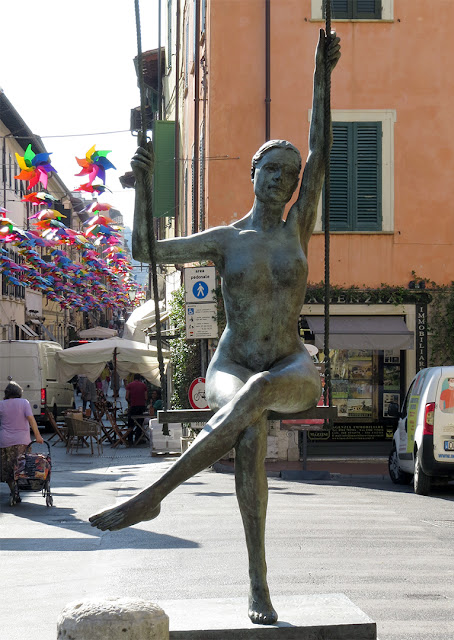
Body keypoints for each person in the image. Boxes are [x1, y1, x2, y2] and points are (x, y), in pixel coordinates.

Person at [90, 29, 341, 626]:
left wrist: (321, 79)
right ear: (252, 176)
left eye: (290, 173)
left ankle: (156, 494)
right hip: (232, 363)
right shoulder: (226, 240)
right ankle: (258, 585)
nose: (282, 180)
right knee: (249, 434)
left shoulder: (299, 226)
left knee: (258, 397)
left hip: (289, 364)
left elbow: (322, 145)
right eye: (271, 171)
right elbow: (148, 252)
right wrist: (143, 187)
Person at [0, 381, 44, 502]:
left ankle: (13, 490)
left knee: (8, 469)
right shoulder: (24, 403)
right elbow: (31, 419)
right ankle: (18, 489)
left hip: (5, 442)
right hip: (22, 442)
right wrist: (38, 436)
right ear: (19, 393)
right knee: (22, 468)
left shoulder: (1, 404)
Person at [125, 374, 148, 445]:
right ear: (140, 379)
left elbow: (126, 397)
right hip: (141, 406)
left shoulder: (129, 385)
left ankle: (130, 439)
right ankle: (138, 438)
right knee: (140, 423)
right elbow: (146, 397)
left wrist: (130, 402)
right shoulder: (143, 386)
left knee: (130, 423)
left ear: (133, 378)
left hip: (133, 406)